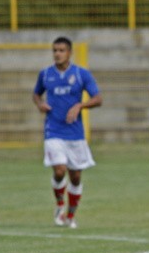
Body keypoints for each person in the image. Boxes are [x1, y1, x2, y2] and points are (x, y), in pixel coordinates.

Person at [32, 36, 102, 229]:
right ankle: (60, 205)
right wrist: (40, 104)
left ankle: (70, 215)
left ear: (69, 52)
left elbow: (98, 98)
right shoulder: (46, 74)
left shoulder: (81, 75)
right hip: (53, 130)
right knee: (59, 169)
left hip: (75, 134)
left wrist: (80, 105)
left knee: (76, 176)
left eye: (61, 50)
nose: (57, 54)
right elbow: (36, 94)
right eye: (55, 50)